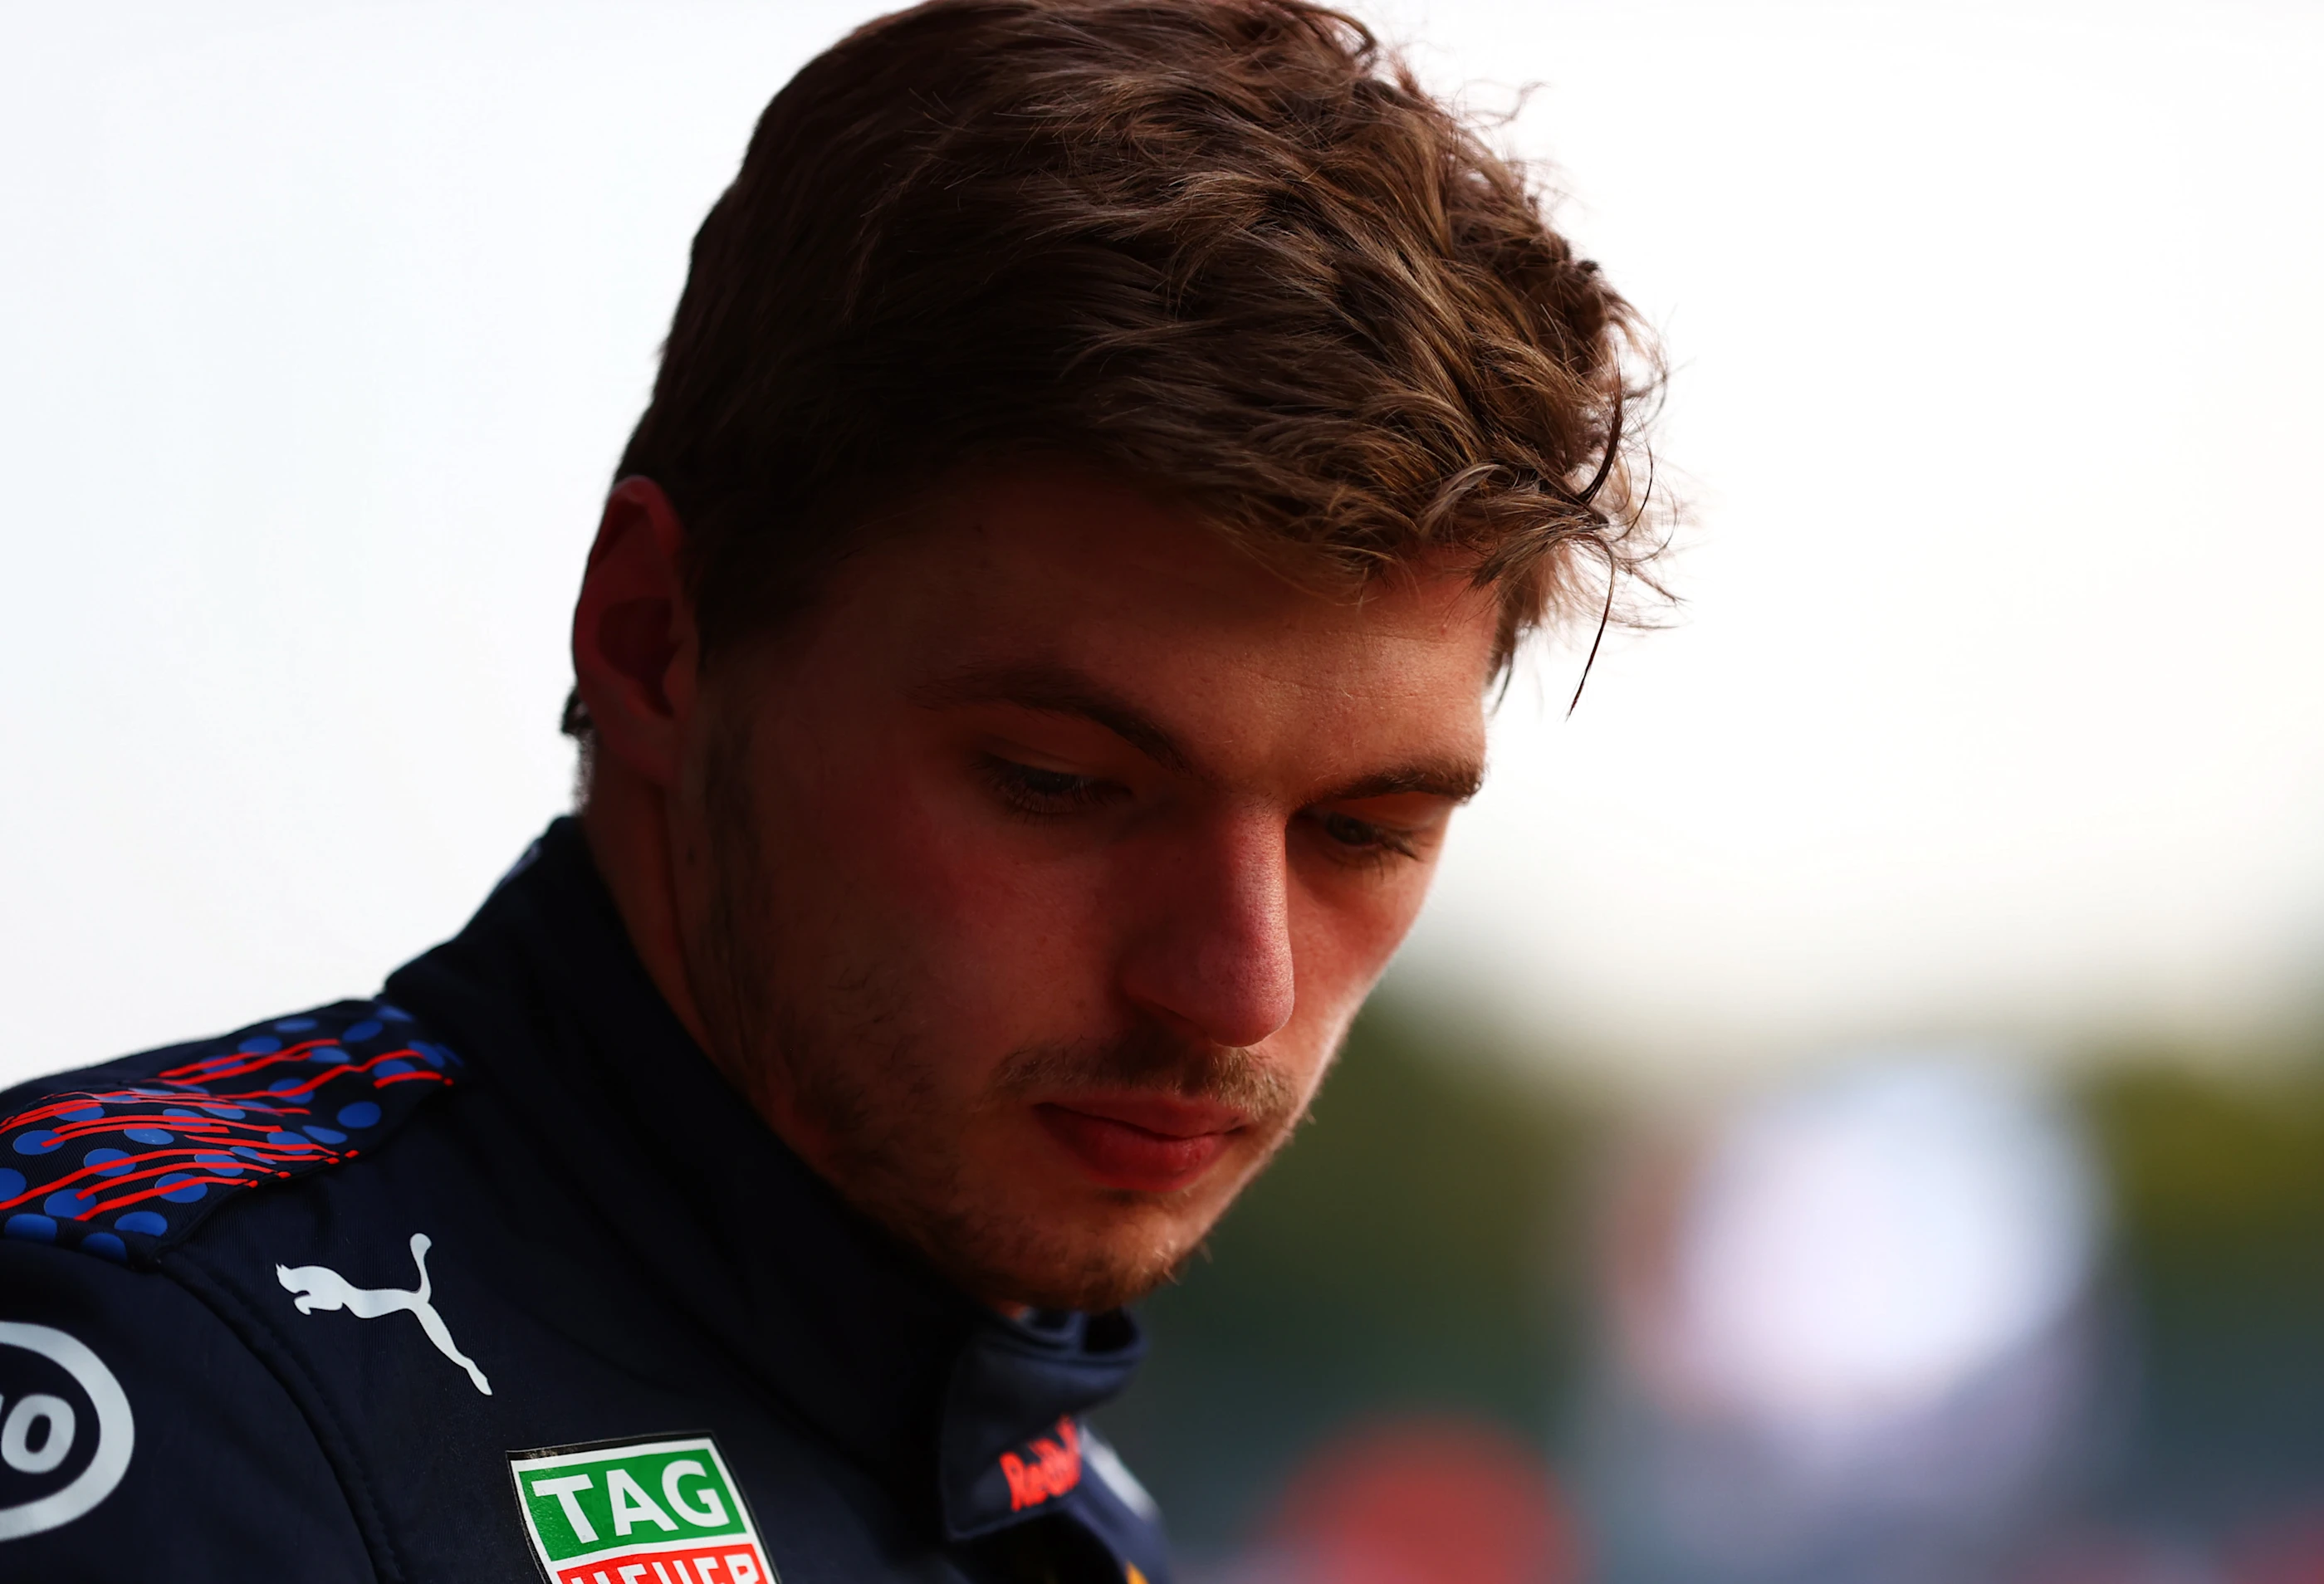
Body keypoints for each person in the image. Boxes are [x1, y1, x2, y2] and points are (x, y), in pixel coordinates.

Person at [0, 1, 1660, 1580]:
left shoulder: (1065, 1505)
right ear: (656, 640)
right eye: (1059, 781)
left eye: (1363, 832)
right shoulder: (144, 1399)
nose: (1236, 990)